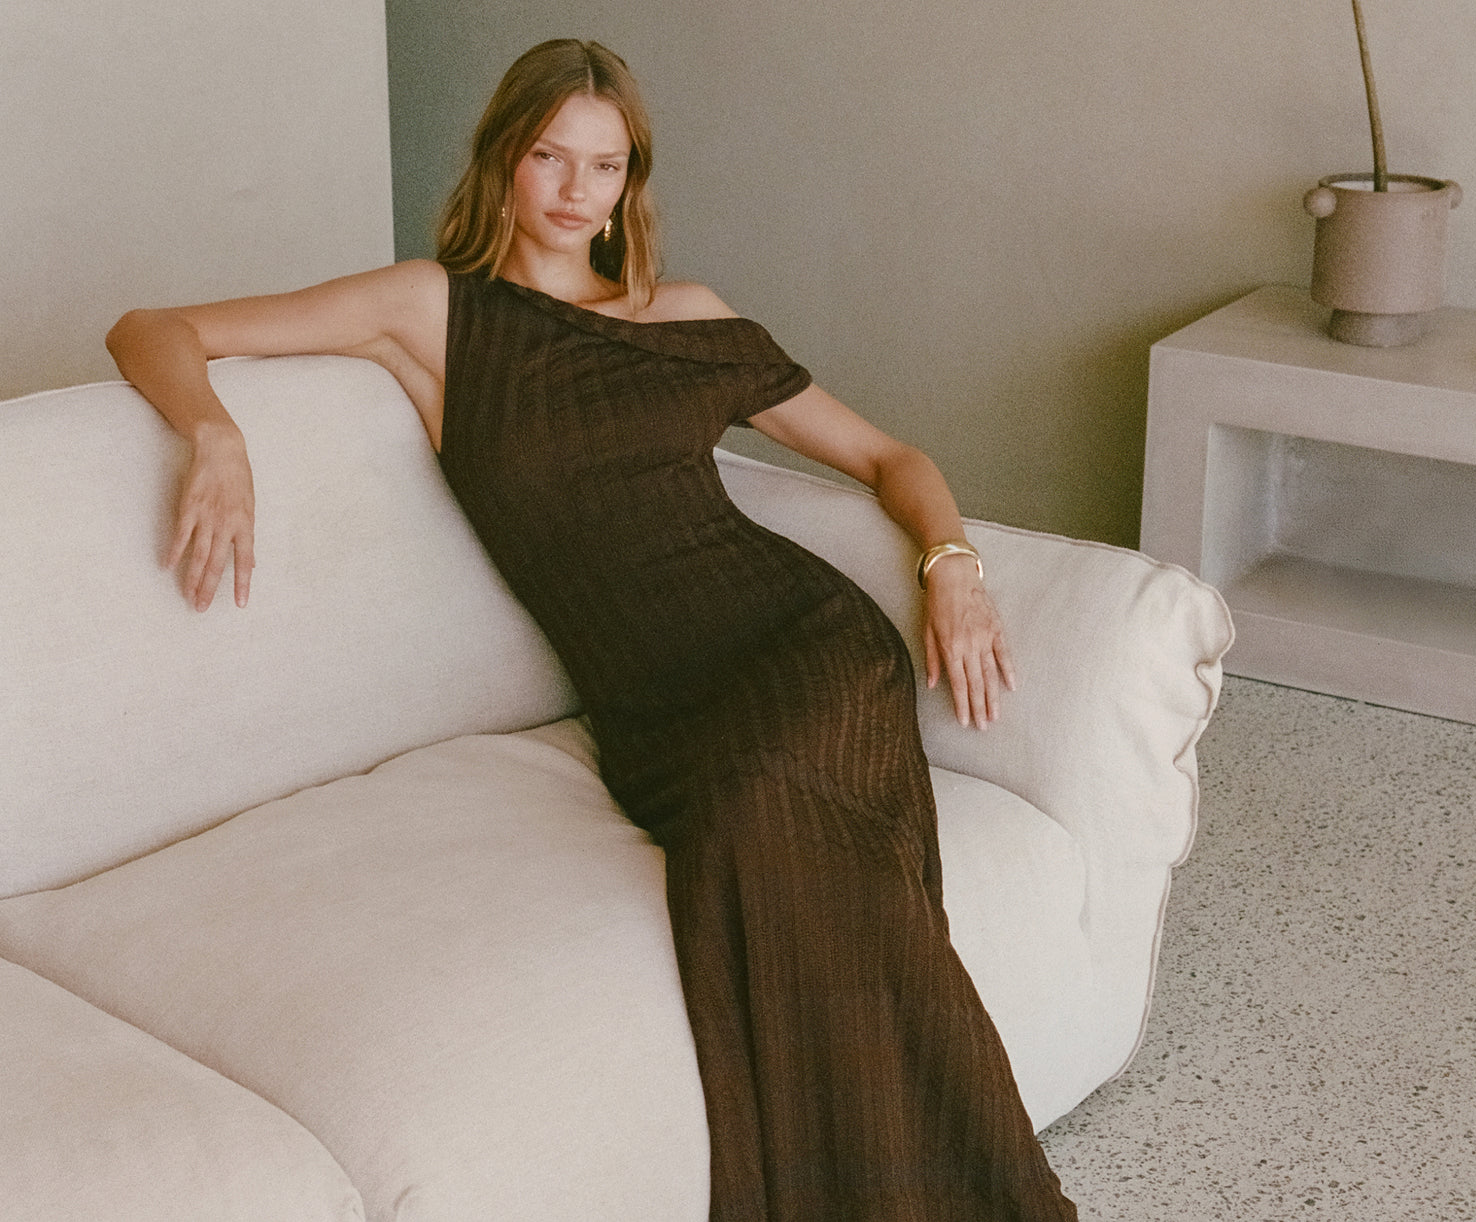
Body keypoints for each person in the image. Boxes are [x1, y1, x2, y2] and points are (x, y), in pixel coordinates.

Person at [106, 37, 1077, 1222]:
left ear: (632, 182)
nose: (575, 191)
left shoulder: (688, 316)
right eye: (550, 157)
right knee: (757, 845)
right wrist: (212, 433)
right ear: (504, 163)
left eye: (605, 166)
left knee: (764, 820)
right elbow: (155, 327)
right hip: (656, 709)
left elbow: (889, 456)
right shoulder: (434, 313)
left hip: (800, 644)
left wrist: (952, 564)